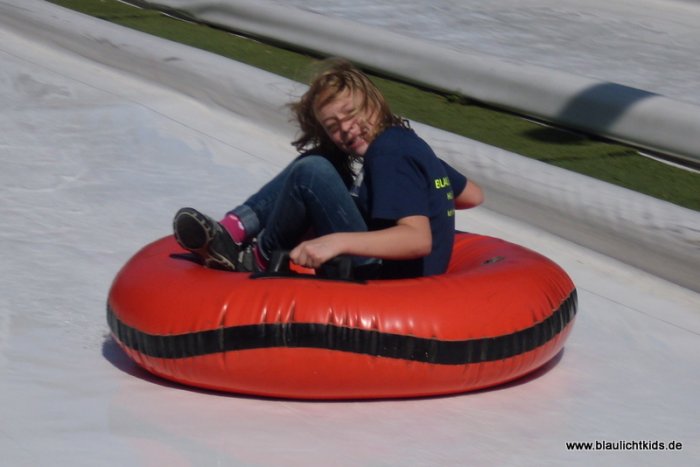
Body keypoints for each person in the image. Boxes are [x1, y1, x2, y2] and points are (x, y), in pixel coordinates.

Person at [173, 59, 483, 279]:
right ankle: (231, 230)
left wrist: (336, 242)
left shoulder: (389, 153)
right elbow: (472, 195)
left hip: (384, 276)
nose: (346, 128)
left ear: (375, 103)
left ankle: (255, 258)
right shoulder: (408, 146)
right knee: (326, 158)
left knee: (312, 172)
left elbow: (417, 240)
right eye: (333, 126)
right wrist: (423, 197)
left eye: (351, 113)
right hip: (391, 263)